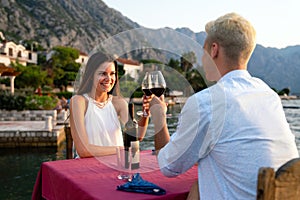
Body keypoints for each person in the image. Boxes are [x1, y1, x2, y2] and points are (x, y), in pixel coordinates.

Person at [148, 13, 299, 199]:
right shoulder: (269, 96)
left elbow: (169, 167)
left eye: (203, 52)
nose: (202, 60)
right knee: (197, 188)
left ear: (214, 50)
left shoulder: (206, 102)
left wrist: (159, 119)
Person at [69, 51, 149, 158]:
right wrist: (122, 149)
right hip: (87, 170)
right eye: (103, 74)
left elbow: (136, 136)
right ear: (91, 75)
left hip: (116, 167)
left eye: (112, 74)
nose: (109, 79)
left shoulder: (119, 103)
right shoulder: (78, 102)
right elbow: (83, 150)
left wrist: (145, 114)